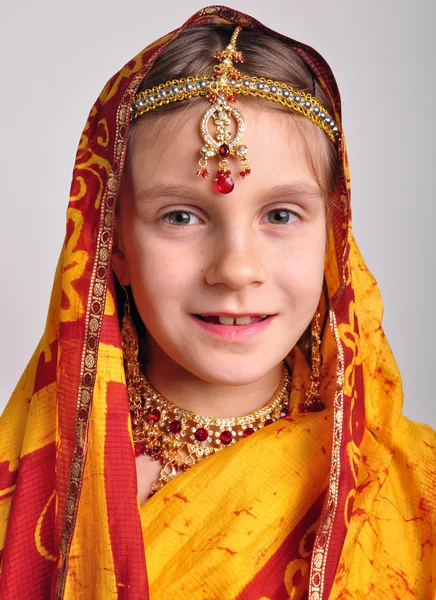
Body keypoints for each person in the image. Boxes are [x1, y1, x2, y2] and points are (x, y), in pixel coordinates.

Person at [0, 6, 434, 600]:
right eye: (180, 216)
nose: (236, 268)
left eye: (281, 215)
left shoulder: (411, 491)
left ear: (333, 240)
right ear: (113, 245)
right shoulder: (34, 492)